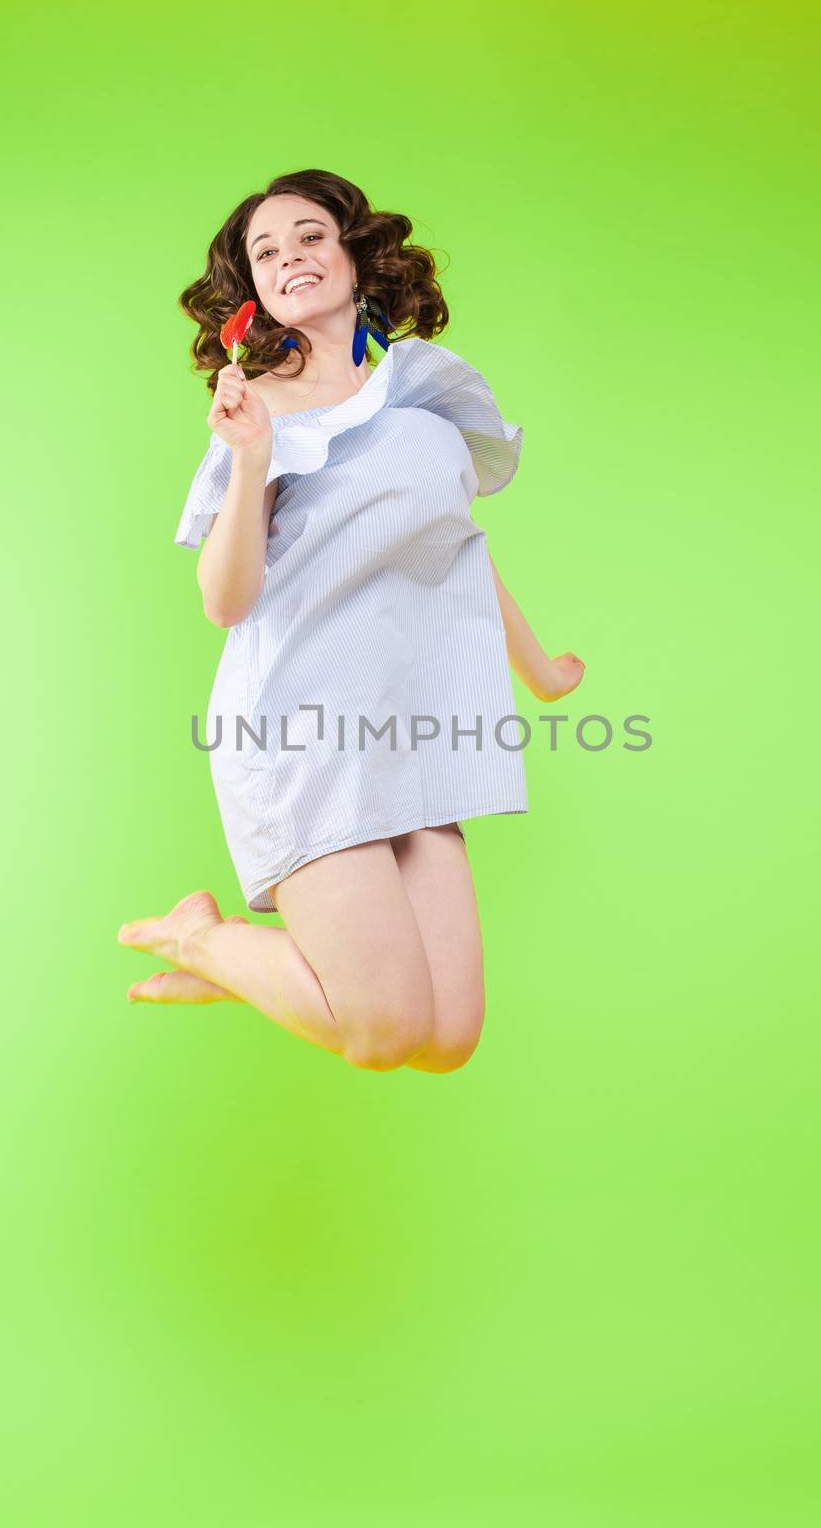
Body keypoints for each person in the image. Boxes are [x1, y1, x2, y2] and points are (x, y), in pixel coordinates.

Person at [117, 169, 585, 1073]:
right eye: (265, 251)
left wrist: (539, 672)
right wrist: (248, 460)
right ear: (250, 293)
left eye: (308, 236)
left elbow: (454, 548)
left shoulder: (419, 392)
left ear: (353, 256)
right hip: (299, 726)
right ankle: (201, 943)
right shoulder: (256, 411)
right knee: (382, 1033)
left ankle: (248, 970)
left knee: (446, 1040)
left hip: (416, 722)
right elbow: (224, 601)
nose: (289, 257)